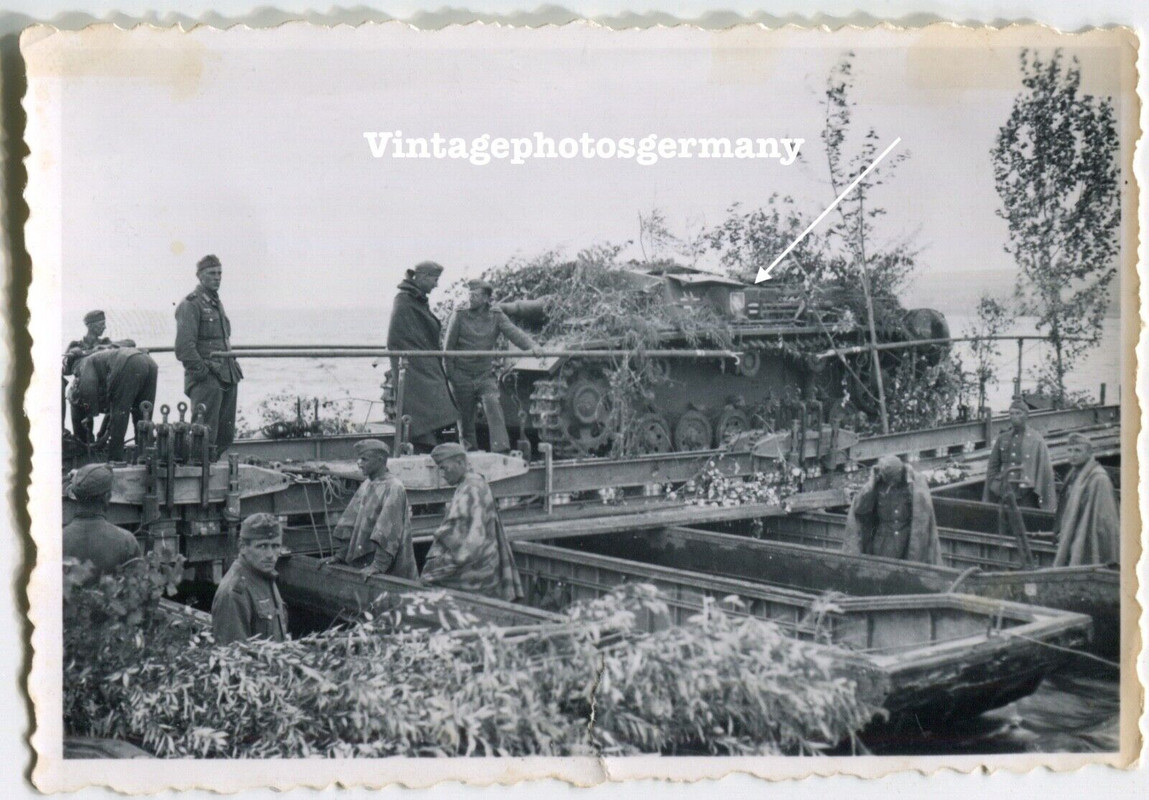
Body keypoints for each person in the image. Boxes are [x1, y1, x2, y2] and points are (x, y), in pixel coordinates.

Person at [444, 279, 541, 453]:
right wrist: (452, 376)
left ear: (486, 298)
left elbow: (514, 333)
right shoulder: (459, 315)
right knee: (466, 420)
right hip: (462, 375)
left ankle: (501, 450)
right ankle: (470, 453)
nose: (471, 298)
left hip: (483, 375)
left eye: (475, 295)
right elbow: (447, 348)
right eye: (470, 294)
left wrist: (532, 346)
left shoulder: (496, 315)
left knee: (493, 406)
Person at [420, 442, 522, 601]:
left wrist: (432, 570)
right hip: (487, 566)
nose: (441, 474)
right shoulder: (473, 481)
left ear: (460, 462)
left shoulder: (470, 489)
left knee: (426, 581)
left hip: (477, 574)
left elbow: (464, 545)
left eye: (444, 468)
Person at [175, 254, 244, 460]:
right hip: (207, 378)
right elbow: (184, 348)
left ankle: (211, 467)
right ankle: (198, 473)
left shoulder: (216, 303)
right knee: (203, 433)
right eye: (212, 273)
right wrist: (204, 374)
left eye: (220, 273)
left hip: (227, 374)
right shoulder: (191, 304)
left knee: (225, 434)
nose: (217, 278)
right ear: (200, 276)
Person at [386, 261, 459, 452]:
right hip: (413, 364)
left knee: (437, 399)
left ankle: (431, 440)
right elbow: (397, 337)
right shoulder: (404, 300)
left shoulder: (415, 298)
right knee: (430, 400)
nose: (436, 285)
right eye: (435, 279)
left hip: (423, 359)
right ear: (424, 277)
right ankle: (424, 441)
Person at [325, 439, 418, 578]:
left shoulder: (394, 487)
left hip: (386, 566)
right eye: (359, 458)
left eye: (364, 459)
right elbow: (350, 522)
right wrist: (340, 555)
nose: (359, 463)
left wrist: (378, 565)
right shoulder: (368, 483)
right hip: (367, 561)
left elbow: (389, 532)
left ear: (380, 460)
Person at [843, 454, 941, 564]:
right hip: (883, 544)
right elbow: (860, 509)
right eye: (888, 480)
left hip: (907, 542)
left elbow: (923, 514)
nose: (891, 484)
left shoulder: (914, 484)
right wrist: (870, 486)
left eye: (894, 480)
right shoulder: (876, 485)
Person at [68, 346, 158, 461]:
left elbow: (88, 389)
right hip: (149, 362)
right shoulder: (103, 356)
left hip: (129, 362)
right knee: (143, 412)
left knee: (120, 413)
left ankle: (115, 458)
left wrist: (89, 414)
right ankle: (145, 454)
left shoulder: (83, 363)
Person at [211, 513, 288, 645]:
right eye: (262, 546)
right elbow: (234, 657)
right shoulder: (234, 593)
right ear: (242, 547)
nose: (270, 555)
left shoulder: (265, 576)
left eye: (275, 546)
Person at [62, 463, 142, 579]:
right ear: (106, 497)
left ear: (74, 495)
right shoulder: (127, 542)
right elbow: (138, 591)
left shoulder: (58, 541)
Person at [1053, 433, 1120, 567]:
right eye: (1070, 450)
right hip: (1074, 536)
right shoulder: (1074, 475)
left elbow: (1104, 521)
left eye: (1078, 450)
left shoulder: (1099, 479)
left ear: (1089, 453)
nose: (1072, 455)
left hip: (1088, 539)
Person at [983, 400, 1056, 511]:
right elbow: (993, 466)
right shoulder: (1003, 438)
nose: (1014, 416)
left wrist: (1043, 496)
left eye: (1018, 413)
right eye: (1011, 413)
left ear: (1027, 415)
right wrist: (994, 485)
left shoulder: (1036, 439)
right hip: (1004, 489)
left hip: (1025, 491)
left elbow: (1044, 470)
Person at [62, 310, 116, 441]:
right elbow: (65, 371)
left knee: (111, 422)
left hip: (101, 393)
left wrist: (91, 352)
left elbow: (125, 345)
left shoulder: (106, 343)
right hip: (79, 395)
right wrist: (71, 357)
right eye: (101, 324)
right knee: (81, 436)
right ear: (90, 326)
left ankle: (101, 440)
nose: (104, 327)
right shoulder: (75, 345)